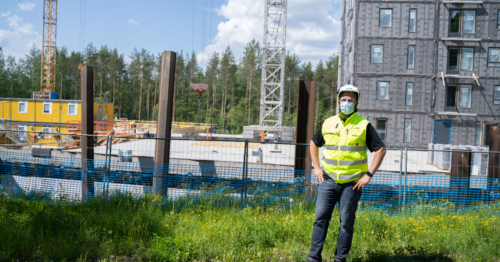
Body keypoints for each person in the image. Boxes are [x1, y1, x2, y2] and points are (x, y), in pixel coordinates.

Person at [307, 85, 386, 262]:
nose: (347, 103)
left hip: (352, 184)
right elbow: (314, 143)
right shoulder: (328, 122)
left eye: (351, 100)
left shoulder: (364, 125)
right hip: (327, 180)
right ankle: (313, 259)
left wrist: (368, 175)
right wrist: (317, 167)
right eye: (344, 100)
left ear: (356, 102)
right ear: (338, 102)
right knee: (320, 220)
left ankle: (339, 260)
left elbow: (380, 149)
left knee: (346, 224)